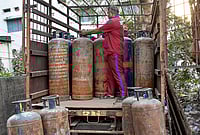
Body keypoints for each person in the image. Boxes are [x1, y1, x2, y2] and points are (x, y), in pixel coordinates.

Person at [81, 6, 128, 99]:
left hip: (114, 51)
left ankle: (123, 93)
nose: (107, 14)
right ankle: (110, 93)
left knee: (118, 72)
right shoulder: (118, 21)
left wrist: (85, 33)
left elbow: (99, 29)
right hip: (111, 51)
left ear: (111, 12)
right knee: (110, 74)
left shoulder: (113, 22)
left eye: (108, 12)